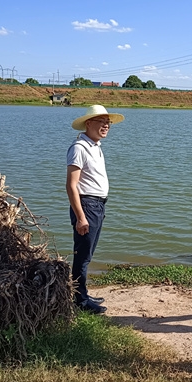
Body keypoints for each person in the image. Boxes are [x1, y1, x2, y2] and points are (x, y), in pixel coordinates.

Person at [67, 104, 124, 314]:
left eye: (108, 123)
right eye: (102, 122)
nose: (106, 126)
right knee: (82, 255)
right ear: (88, 123)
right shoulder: (79, 148)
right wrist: (81, 216)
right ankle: (79, 301)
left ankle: (82, 293)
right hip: (87, 205)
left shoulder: (95, 146)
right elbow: (71, 185)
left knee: (87, 254)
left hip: (97, 205)